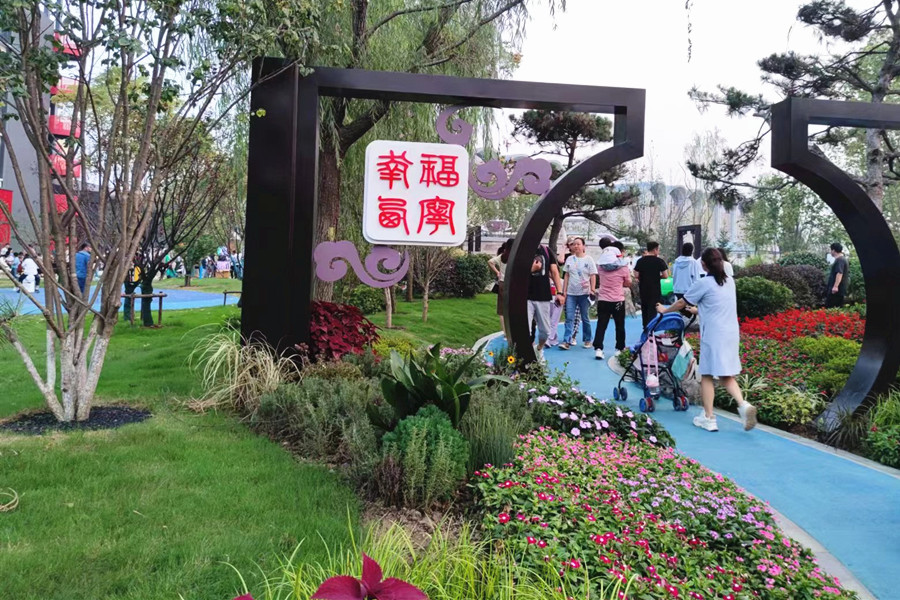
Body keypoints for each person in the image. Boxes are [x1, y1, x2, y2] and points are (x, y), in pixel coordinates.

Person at [656, 248, 757, 433]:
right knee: (726, 374)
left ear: (703, 264)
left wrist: (665, 310)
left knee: (707, 375)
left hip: (714, 334)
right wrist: (696, 310)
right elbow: (713, 304)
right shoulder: (729, 281)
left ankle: (709, 418)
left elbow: (682, 302)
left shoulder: (704, 283)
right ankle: (743, 406)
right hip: (731, 333)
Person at [593, 240, 631, 359]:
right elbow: (628, 282)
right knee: (619, 325)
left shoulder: (600, 267)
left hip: (603, 299)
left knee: (601, 324)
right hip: (618, 300)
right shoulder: (623, 268)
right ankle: (619, 348)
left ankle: (598, 349)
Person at [559, 237, 597, 350]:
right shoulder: (570, 259)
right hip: (571, 294)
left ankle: (588, 339)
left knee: (585, 317)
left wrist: (592, 289)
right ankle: (567, 341)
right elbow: (566, 275)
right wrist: (564, 291)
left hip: (584, 294)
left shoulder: (589, 259)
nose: (576, 246)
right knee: (569, 318)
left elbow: (593, 275)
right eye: (574, 244)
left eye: (578, 244)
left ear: (583, 246)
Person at [528, 243, 564, 362]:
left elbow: (554, 272)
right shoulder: (522, 250)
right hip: (526, 296)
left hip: (543, 296)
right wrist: (532, 269)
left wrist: (560, 292)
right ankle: (526, 356)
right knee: (526, 330)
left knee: (545, 331)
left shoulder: (546, 250)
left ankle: (539, 349)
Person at [633, 241, 669, 328]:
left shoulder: (640, 261)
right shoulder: (660, 261)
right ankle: (651, 328)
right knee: (653, 310)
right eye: (658, 249)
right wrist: (657, 277)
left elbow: (636, 274)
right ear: (655, 249)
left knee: (644, 308)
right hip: (655, 290)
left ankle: (645, 326)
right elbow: (665, 275)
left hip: (643, 289)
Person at [488, 239, 514, 332]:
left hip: (503, 283)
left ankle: (505, 332)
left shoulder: (503, 256)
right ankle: (512, 330)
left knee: (502, 310)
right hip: (513, 284)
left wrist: (497, 272)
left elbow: (490, 262)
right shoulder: (515, 256)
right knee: (513, 308)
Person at [826, 242, 849, 308]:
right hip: (838, 290)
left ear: (833, 250)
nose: (830, 252)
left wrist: (835, 286)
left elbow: (839, 273)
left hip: (836, 291)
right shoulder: (842, 259)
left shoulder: (840, 260)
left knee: (832, 307)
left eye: (831, 250)